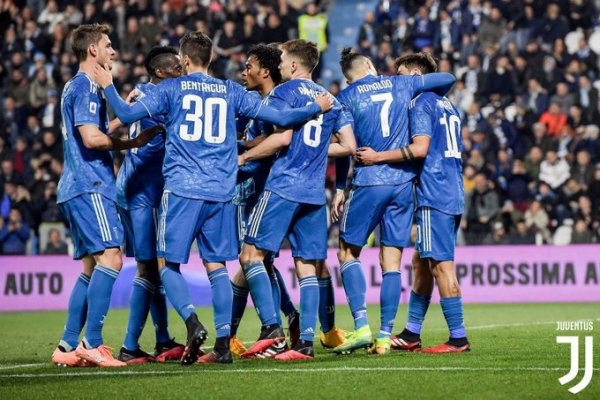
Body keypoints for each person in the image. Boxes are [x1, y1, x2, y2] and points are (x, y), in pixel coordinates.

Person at [93, 31, 333, 365]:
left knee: (166, 264)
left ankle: (191, 321)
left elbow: (125, 114)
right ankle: (222, 345)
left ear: (185, 60)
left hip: (183, 188)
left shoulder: (171, 89)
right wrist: (314, 107)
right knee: (217, 266)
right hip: (222, 191)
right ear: (210, 59)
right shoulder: (230, 90)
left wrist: (107, 83)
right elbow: (280, 119)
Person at [51, 24, 164, 368]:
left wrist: (117, 119)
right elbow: (91, 139)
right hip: (92, 185)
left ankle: (68, 345)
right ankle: (94, 343)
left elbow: (95, 130)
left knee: (91, 266)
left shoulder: (75, 86)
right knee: (112, 256)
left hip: (74, 185)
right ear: (92, 52)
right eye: (108, 46)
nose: (113, 52)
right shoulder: (87, 85)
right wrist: (131, 142)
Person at [331, 50, 456, 355]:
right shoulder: (400, 84)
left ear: (348, 75)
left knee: (348, 252)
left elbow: (346, 147)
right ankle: (386, 336)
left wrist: (338, 189)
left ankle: (361, 326)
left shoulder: (344, 97)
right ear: (371, 66)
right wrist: (417, 80)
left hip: (369, 179)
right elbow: (448, 78)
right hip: (402, 184)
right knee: (392, 262)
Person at [238, 39, 354, 361]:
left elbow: (282, 137)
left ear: (292, 66)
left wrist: (244, 158)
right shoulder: (331, 99)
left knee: (250, 256)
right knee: (308, 266)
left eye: (282, 61)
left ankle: (272, 331)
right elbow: (349, 145)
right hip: (315, 192)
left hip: (284, 185)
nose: (278, 66)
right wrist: (317, 152)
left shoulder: (282, 92)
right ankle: (304, 343)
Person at [115, 46, 186, 365]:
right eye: (175, 68)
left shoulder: (143, 94)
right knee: (149, 266)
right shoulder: (161, 100)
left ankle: (161, 339)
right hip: (142, 194)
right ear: (160, 72)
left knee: (152, 267)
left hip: (134, 190)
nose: (181, 73)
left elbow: (118, 124)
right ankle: (130, 345)